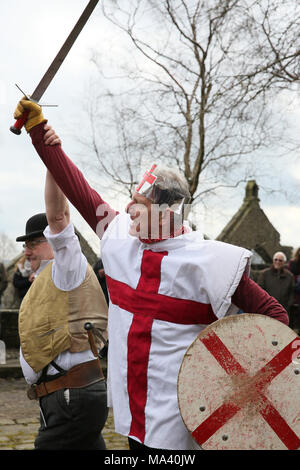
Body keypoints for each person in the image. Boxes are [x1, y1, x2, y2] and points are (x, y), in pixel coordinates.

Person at [13, 99, 289, 451]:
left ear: (165, 215)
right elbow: (79, 191)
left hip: (181, 419)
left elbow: (275, 323)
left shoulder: (211, 263)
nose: (127, 210)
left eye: (138, 206)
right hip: (133, 412)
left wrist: (236, 388)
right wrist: (41, 136)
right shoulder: (120, 241)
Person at [16, 171, 109, 450]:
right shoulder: (48, 277)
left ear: (51, 240)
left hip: (70, 396)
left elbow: (58, 218)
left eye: (33, 243)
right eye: (25, 246)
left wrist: (50, 158)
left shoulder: (67, 267)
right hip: (67, 396)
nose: (27, 252)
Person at [257, 251, 295, 317]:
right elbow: (259, 291)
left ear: (284, 262)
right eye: (276, 259)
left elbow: (292, 293)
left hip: (283, 310)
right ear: (273, 260)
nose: (278, 262)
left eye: (280, 260)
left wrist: (287, 307)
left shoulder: (290, 276)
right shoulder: (264, 274)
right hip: (266, 309)